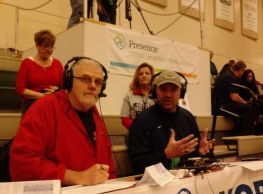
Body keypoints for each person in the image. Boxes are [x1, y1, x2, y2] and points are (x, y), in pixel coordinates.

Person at [10, 57, 116, 185]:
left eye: (98, 82)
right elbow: (21, 163)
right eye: (85, 79)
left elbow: (107, 167)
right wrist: (76, 177)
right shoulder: (44, 107)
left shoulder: (95, 113)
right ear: (68, 81)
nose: (93, 86)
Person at [128, 70, 215, 174]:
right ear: (155, 91)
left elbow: (192, 158)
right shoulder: (142, 121)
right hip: (156, 186)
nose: (168, 95)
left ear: (181, 92)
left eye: (173, 90)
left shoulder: (188, 118)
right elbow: (137, 166)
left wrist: (200, 153)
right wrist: (166, 155)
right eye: (163, 89)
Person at [16, 30, 64, 115]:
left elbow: (64, 88)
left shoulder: (57, 64)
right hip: (33, 104)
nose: (50, 50)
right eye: (46, 46)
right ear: (37, 45)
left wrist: (57, 92)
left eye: (52, 47)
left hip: (53, 103)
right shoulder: (27, 63)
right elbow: (21, 89)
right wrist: (44, 97)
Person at [214, 61, 256, 136]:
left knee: (249, 109)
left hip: (223, 104)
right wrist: (245, 103)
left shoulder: (229, 75)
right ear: (241, 70)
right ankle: (239, 135)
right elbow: (234, 97)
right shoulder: (230, 77)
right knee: (251, 109)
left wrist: (245, 102)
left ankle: (241, 134)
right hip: (221, 106)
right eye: (243, 72)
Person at [120, 62, 155, 130]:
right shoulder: (129, 95)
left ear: (152, 76)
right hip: (136, 132)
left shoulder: (158, 94)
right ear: (137, 77)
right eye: (140, 74)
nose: (144, 75)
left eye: (147, 73)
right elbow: (124, 119)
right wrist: (138, 130)